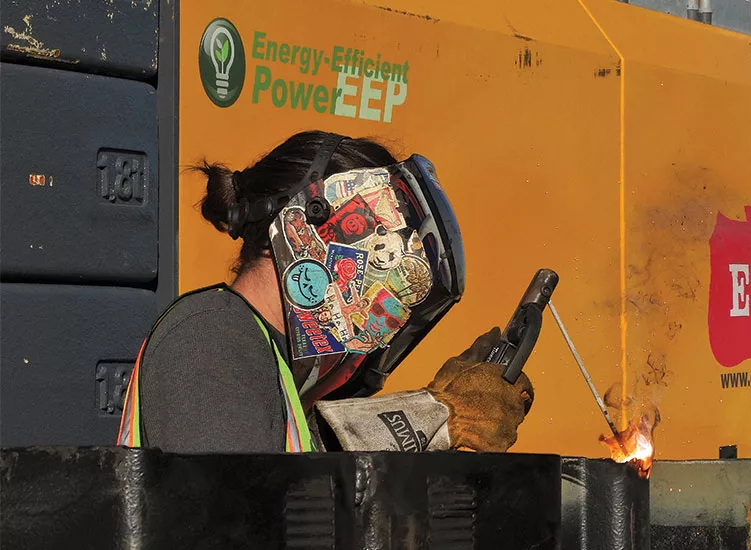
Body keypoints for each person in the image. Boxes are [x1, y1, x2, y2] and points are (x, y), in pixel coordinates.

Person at [117, 130, 534, 454]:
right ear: (314, 224)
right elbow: (252, 516)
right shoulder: (211, 339)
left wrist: (434, 415)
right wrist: (437, 413)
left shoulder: (273, 364)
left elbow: (304, 472)